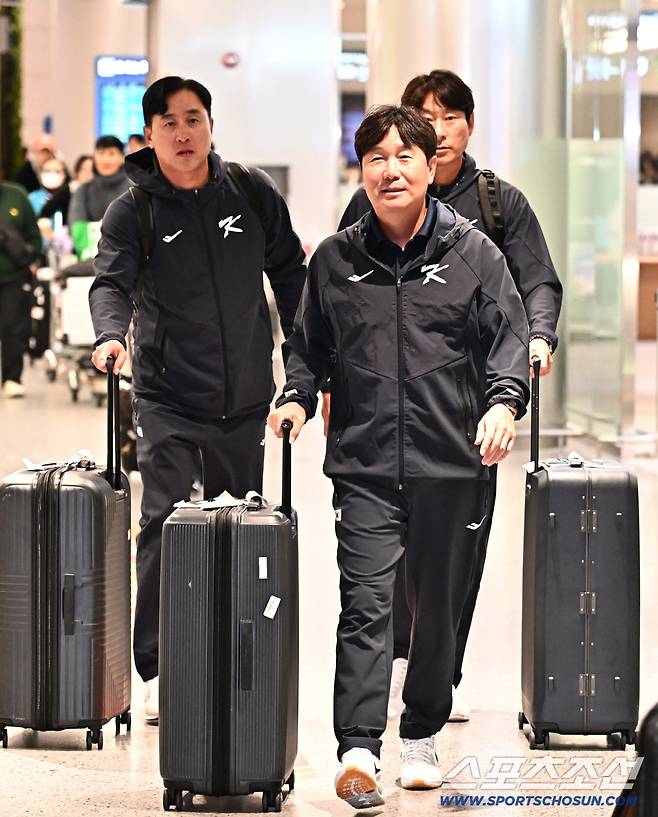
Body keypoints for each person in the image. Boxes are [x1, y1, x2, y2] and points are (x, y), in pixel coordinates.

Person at [268, 105, 529, 807]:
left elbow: (511, 337)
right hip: (366, 463)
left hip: (453, 463)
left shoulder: (474, 253)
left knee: (438, 609)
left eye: (403, 156)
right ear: (363, 170)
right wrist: (296, 395)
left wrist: (504, 403)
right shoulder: (335, 259)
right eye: (376, 158)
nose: (390, 170)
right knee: (366, 603)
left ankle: (419, 733)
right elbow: (309, 348)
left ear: (429, 165)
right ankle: (357, 746)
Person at [336, 70, 563, 723]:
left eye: (447, 116)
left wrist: (537, 339)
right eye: (421, 116)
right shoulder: (373, 199)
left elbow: (537, 283)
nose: (435, 129)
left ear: (467, 125)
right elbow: (341, 295)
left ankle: (438, 669)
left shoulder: (498, 204)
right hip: (385, 405)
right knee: (388, 541)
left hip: (470, 406)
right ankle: (402, 658)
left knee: (457, 549)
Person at [89, 76, 306, 724]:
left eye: (194, 119)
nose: (184, 133)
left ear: (209, 124)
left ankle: (241, 656)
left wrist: (305, 348)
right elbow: (111, 284)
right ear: (150, 135)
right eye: (169, 123)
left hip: (244, 398)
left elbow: (290, 270)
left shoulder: (248, 190)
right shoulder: (135, 210)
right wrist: (108, 337)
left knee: (245, 529)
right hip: (167, 397)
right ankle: (156, 664)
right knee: (161, 526)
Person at [0, 175, 42, 397]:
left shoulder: (16, 195)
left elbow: (34, 237)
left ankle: (11, 378)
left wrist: (32, 259)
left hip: (13, 277)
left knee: (13, 329)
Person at [68, 136, 131, 224]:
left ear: (122, 157)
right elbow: (77, 227)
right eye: (101, 153)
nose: (105, 160)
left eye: (111, 154)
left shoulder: (133, 190)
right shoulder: (83, 190)